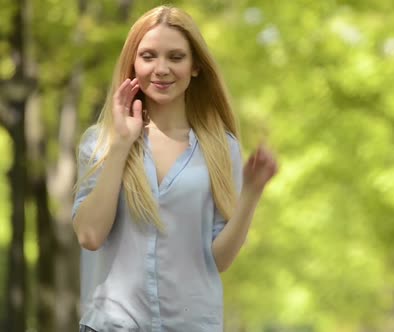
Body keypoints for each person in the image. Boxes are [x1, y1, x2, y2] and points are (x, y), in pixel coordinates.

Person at [72, 5, 278, 332]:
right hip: (113, 324)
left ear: (195, 66)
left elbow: (220, 259)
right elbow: (89, 235)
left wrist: (251, 192)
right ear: (133, 64)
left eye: (176, 57)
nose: (161, 69)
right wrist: (122, 145)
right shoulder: (100, 143)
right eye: (149, 56)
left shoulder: (222, 148)